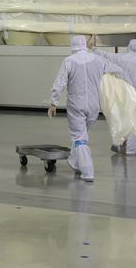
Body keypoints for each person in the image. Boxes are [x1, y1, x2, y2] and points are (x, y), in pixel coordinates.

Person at [48, 35, 125, 182]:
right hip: (94, 106)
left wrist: (53, 103)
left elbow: (59, 83)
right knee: (82, 135)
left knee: (79, 137)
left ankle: (87, 171)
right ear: (84, 45)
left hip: (76, 105)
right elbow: (118, 70)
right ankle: (75, 162)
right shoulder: (97, 60)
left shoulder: (69, 61)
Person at [105, 39, 136, 155]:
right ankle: (131, 149)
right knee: (135, 122)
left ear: (128, 47)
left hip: (120, 95)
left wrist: (94, 49)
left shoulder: (119, 58)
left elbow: (106, 55)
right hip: (135, 97)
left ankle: (117, 143)